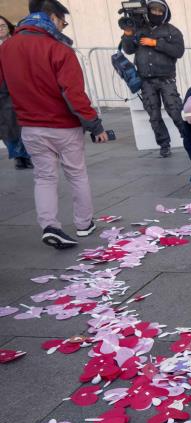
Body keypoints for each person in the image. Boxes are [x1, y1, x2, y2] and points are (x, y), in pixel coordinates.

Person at [0, 0, 109, 249]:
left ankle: (49, 225)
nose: (63, 27)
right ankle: (84, 224)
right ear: (51, 16)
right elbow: (74, 95)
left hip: (29, 126)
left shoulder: (7, 47)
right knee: (76, 173)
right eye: (63, 21)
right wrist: (95, 125)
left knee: (44, 177)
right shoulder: (59, 48)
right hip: (63, 125)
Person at [120, 0, 185, 158]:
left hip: (166, 79)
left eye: (159, 11)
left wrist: (156, 43)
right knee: (154, 115)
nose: (156, 13)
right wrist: (128, 34)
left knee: (175, 111)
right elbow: (128, 49)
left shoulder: (172, 31)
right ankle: (164, 145)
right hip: (146, 80)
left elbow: (178, 51)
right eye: (153, 10)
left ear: (165, 12)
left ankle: (189, 137)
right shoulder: (139, 29)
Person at [0, 15, 32, 169]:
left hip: (18, 86)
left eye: (2, 24)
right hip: (2, 90)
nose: (0, 28)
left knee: (22, 123)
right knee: (7, 125)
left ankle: (26, 154)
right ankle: (18, 156)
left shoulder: (17, 41)